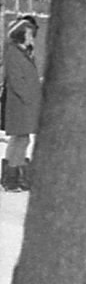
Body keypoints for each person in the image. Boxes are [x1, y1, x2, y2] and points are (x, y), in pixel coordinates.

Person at [3, 16, 42, 192]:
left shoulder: (23, 52)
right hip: (20, 104)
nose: (31, 37)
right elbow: (17, 80)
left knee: (20, 139)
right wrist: (29, 98)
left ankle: (11, 174)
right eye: (28, 34)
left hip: (23, 103)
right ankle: (13, 176)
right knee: (21, 139)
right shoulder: (14, 52)